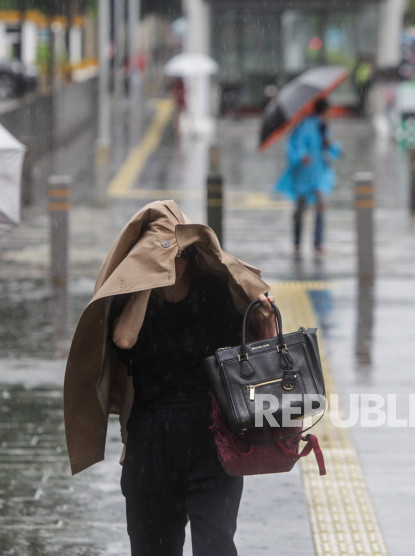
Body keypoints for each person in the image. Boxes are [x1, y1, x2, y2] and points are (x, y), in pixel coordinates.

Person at [63, 200, 277, 555]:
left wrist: (267, 317)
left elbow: (258, 351)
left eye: (173, 257)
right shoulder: (133, 303)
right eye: (155, 259)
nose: (167, 265)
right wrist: (146, 280)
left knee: (216, 545)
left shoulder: (215, 294)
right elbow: (124, 340)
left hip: (212, 439)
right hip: (150, 444)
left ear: (190, 261)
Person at [274, 98, 342, 256]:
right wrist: (302, 155)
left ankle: (318, 243)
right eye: (328, 111)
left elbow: (333, 150)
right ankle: (297, 242)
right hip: (303, 175)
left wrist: (330, 144)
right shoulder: (304, 125)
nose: (330, 114)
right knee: (300, 209)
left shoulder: (324, 128)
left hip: (319, 174)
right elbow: (295, 144)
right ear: (323, 111)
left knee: (320, 205)